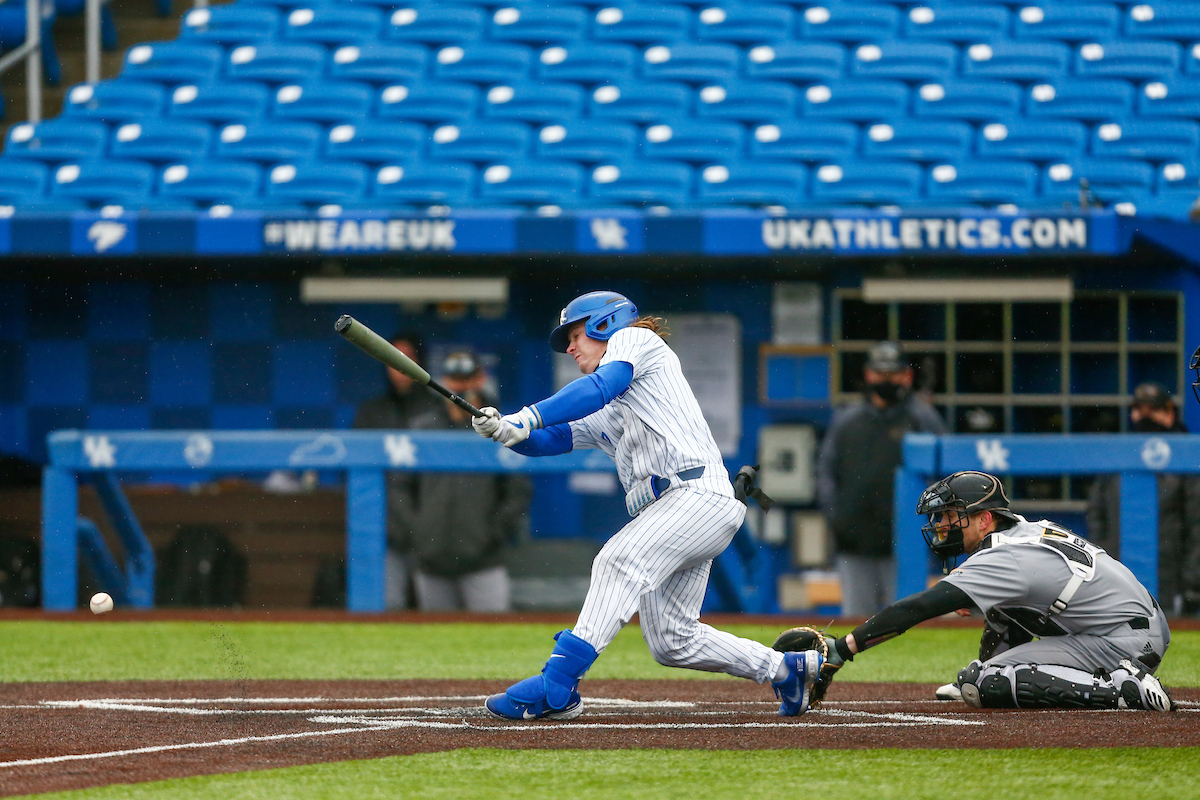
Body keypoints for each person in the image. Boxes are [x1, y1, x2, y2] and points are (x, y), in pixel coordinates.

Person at [470, 290, 822, 720]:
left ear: (604, 324)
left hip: (694, 495)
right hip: (677, 510)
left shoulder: (635, 341)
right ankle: (785, 669)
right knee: (672, 640)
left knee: (616, 561)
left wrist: (526, 416)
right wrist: (508, 431)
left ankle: (557, 685)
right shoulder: (611, 399)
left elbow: (597, 388)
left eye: (576, 335)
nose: (570, 347)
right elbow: (556, 437)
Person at [779, 470, 1177, 712]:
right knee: (993, 640)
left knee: (986, 683)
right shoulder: (1023, 531)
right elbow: (1014, 611)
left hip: (1124, 641)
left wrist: (843, 648)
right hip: (1133, 625)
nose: (941, 525)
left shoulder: (1005, 556)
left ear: (984, 519)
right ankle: (994, 672)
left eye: (951, 515)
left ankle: (1122, 690)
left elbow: (922, 606)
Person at [816, 340, 948, 617]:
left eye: (893, 374)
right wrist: (836, 518)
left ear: (907, 376)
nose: (886, 380)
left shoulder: (923, 418)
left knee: (907, 619)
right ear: (868, 374)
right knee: (856, 622)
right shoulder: (847, 420)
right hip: (854, 540)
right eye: (880, 373)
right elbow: (826, 472)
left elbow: (946, 476)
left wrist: (932, 522)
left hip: (906, 542)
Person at [395, 349, 530, 612]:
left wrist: (491, 535)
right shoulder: (423, 427)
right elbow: (399, 487)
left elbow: (518, 491)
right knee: (435, 634)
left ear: (481, 379)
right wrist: (418, 533)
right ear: (445, 381)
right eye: (455, 379)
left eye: (467, 378)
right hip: (431, 560)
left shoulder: (500, 427)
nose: (460, 386)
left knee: (493, 632)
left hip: (484, 561)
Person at [1086, 382, 1200, 615]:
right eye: (1140, 409)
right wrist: (1103, 565)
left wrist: (1192, 582)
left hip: (1172, 580)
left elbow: (1196, 526)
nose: (1145, 417)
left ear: (1169, 413)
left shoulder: (1188, 459)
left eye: (1154, 410)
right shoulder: (1118, 457)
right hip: (1120, 574)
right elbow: (1097, 515)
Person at [352, 331, 441, 610]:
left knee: (441, 617)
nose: (399, 366)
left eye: (407, 357)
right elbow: (354, 472)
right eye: (392, 358)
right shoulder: (371, 411)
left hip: (434, 531)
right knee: (389, 610)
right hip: (386, 531)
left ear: (419, 361)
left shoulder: (438, 410)